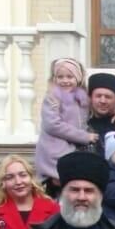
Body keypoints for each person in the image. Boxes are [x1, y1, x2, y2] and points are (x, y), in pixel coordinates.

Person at [35, 57, 99, 185]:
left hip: (74, 147)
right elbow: (52, 125)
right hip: (55, 147)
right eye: (60, 77)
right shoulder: (53, 98)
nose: (65, 81)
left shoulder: (81, 99)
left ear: (78, 78)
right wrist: (84, 137)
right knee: (60, 180)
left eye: (70, 77)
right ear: (54, 78)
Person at [86, 72, 115, 138]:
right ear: (90, 98)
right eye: (98, 96)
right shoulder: (81, 127)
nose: (102, 101)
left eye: (108, 97)